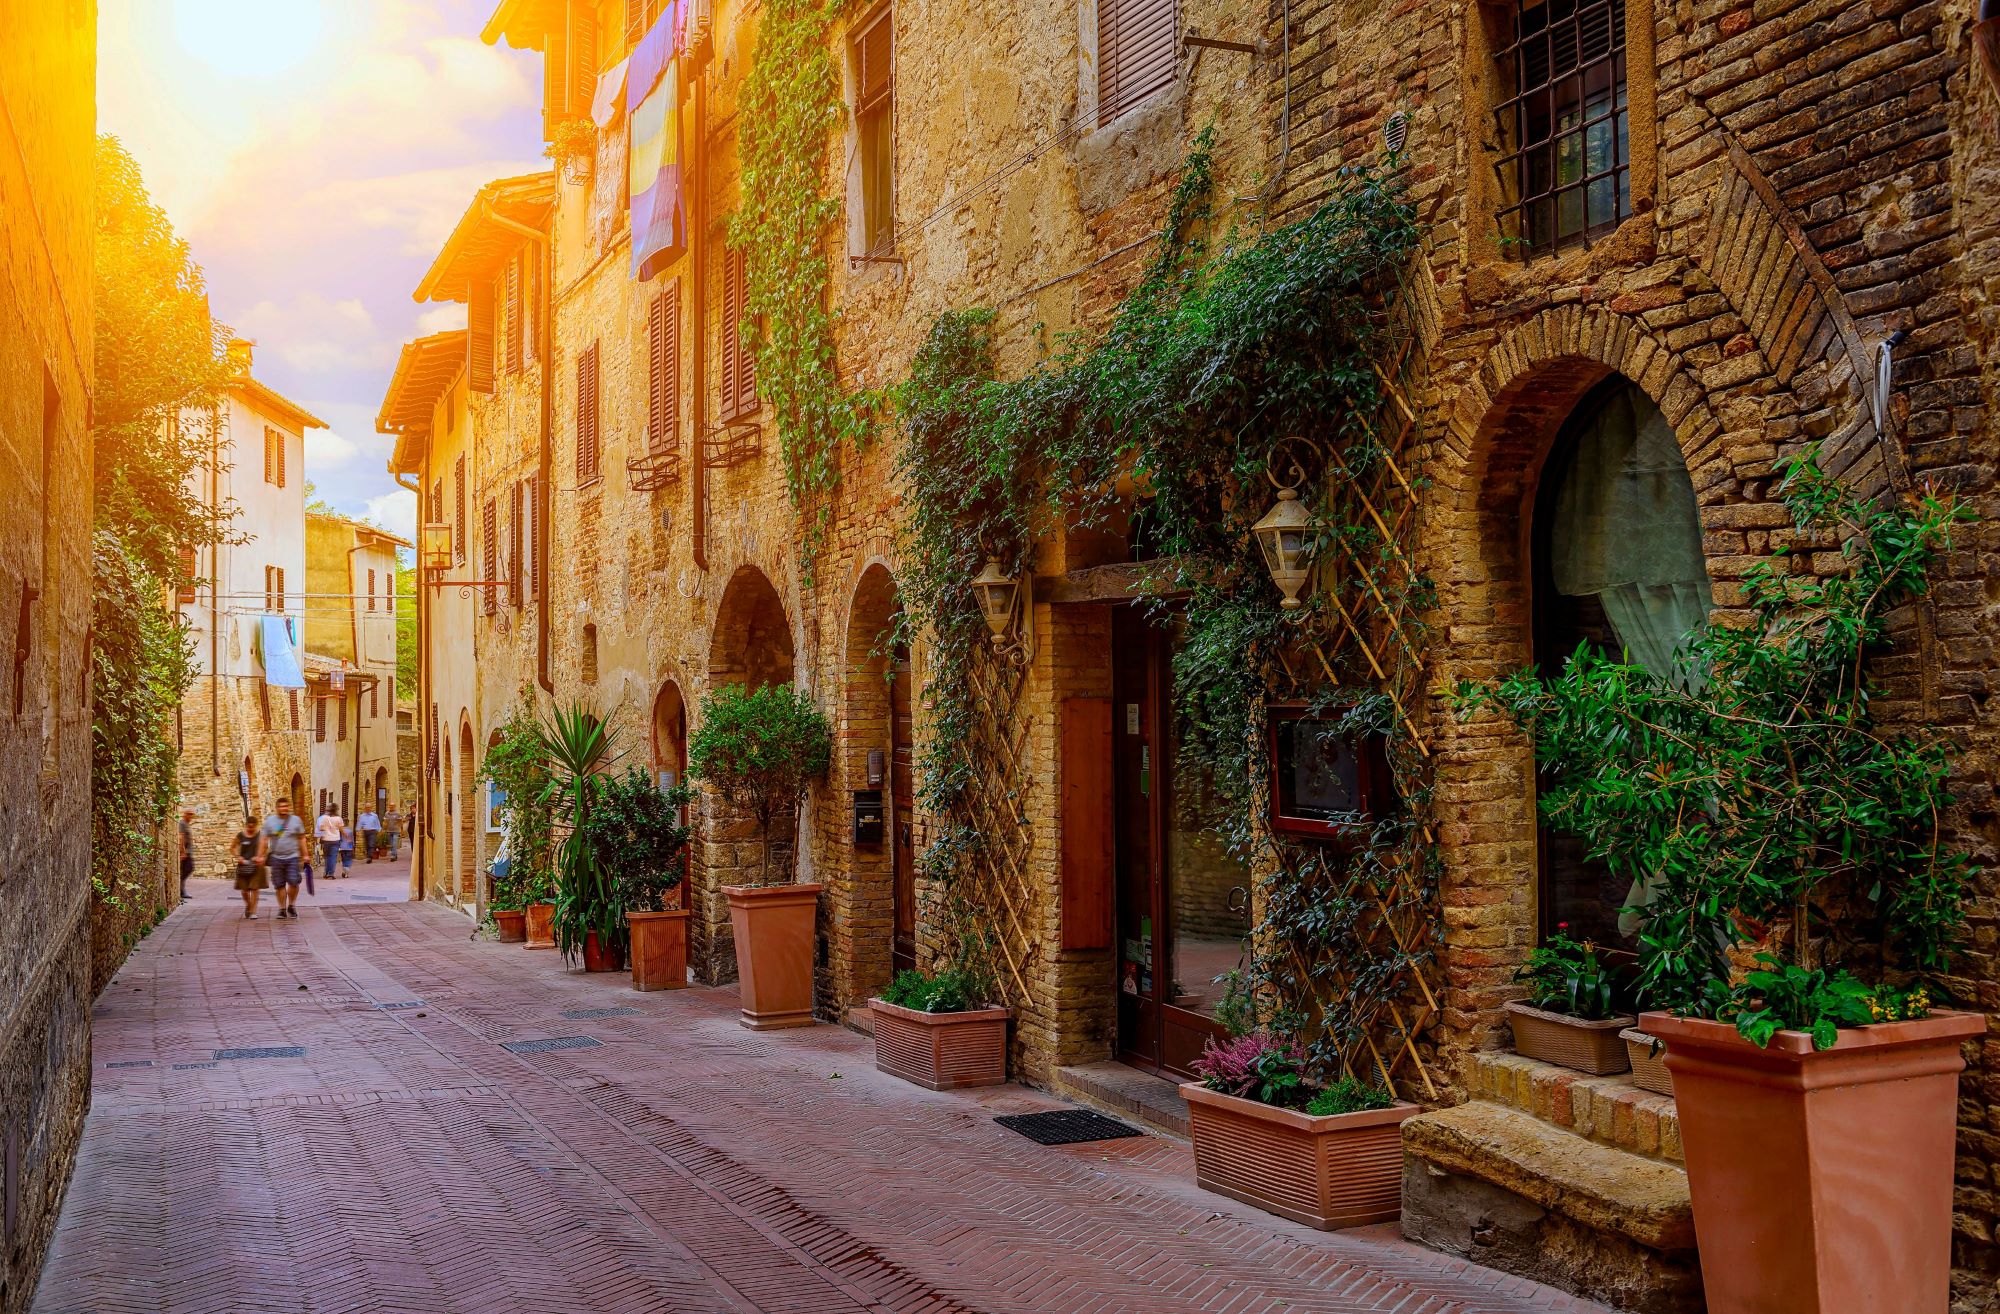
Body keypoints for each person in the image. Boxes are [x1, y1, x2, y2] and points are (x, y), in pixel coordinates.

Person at [260, 798, 308, 918]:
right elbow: (264, 840)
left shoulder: (296, 820)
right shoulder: (270, 821)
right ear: (277, 808)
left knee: (294, 882)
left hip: (293, 857)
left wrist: (305, 854)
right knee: (279, 885)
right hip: (276, 857)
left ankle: (291, 905)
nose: (284, 808)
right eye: (281, 806)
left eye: (286, 806)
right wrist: (260, 855)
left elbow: (302, 838)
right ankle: (282, 909)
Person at [233, 817, 267, 919]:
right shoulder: (240, 835)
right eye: (249, 827)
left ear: (256, 825)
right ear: (246, 825)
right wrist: (238, 856)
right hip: (243, 866)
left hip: (256, 866)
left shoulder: (260, 836)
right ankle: (248, 905)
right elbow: (233, 847)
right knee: (244, 891)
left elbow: (264, 848)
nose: (251, 829)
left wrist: (260, 857)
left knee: (255, 888)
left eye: (253, 827)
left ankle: (253, 912)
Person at [314, 805, 342, 886]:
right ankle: (330, 873)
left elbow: (319, 828)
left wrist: (317, 837)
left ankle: (326, 873)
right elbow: (341, 828)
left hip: (326, 839)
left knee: (327, 857)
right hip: (335, 839)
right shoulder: (338, 818)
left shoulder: (322, 818)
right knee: (333, 857)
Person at [178, 808, 196, 900]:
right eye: (189, 814)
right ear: (184, 814)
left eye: (192, 814)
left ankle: (181, 890)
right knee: (188, 868)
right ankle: (181, 890)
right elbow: (181, 837)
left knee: (186, 870)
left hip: (189, 852)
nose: (191, 816)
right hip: (186, 853)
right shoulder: (182, 823)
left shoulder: (187, 824)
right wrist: (182, 852)